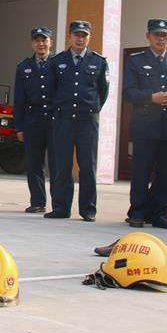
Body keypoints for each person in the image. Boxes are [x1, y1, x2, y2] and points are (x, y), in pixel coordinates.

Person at [122, 19, 167, 229]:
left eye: (165, 35)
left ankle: (161, 213)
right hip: (145, 126)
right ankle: (138, 212)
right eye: (156, 34)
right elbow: (128, 92)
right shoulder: (136, 61)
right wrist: (152, 97)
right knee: (141, 172)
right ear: (148, 36)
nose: (161, 38)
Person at [44, 20, 110, 221]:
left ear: (89, 38)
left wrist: (91, 109)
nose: (80, 39)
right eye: (76, 35)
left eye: (84, 35)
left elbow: (103, 92)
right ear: (70, 37)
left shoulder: (99, 61)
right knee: (62, 165)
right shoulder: (57, 61)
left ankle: (88, 209)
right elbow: (50, 90)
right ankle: (61, 208)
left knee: (87, 166)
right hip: (63, 120)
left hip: (87, 121)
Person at [13, 27, 55, 213]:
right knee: (34, 163)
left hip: (55, 120)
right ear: (32, 43)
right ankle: (38, 202)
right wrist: (19, 126)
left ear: (50, 42)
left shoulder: (59, 63)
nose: (41, 44)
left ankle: (60, 205)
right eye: (37, 40)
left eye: (44, 40)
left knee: (57, 164)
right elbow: (19, 99)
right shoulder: (24, 67)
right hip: (33, 119)